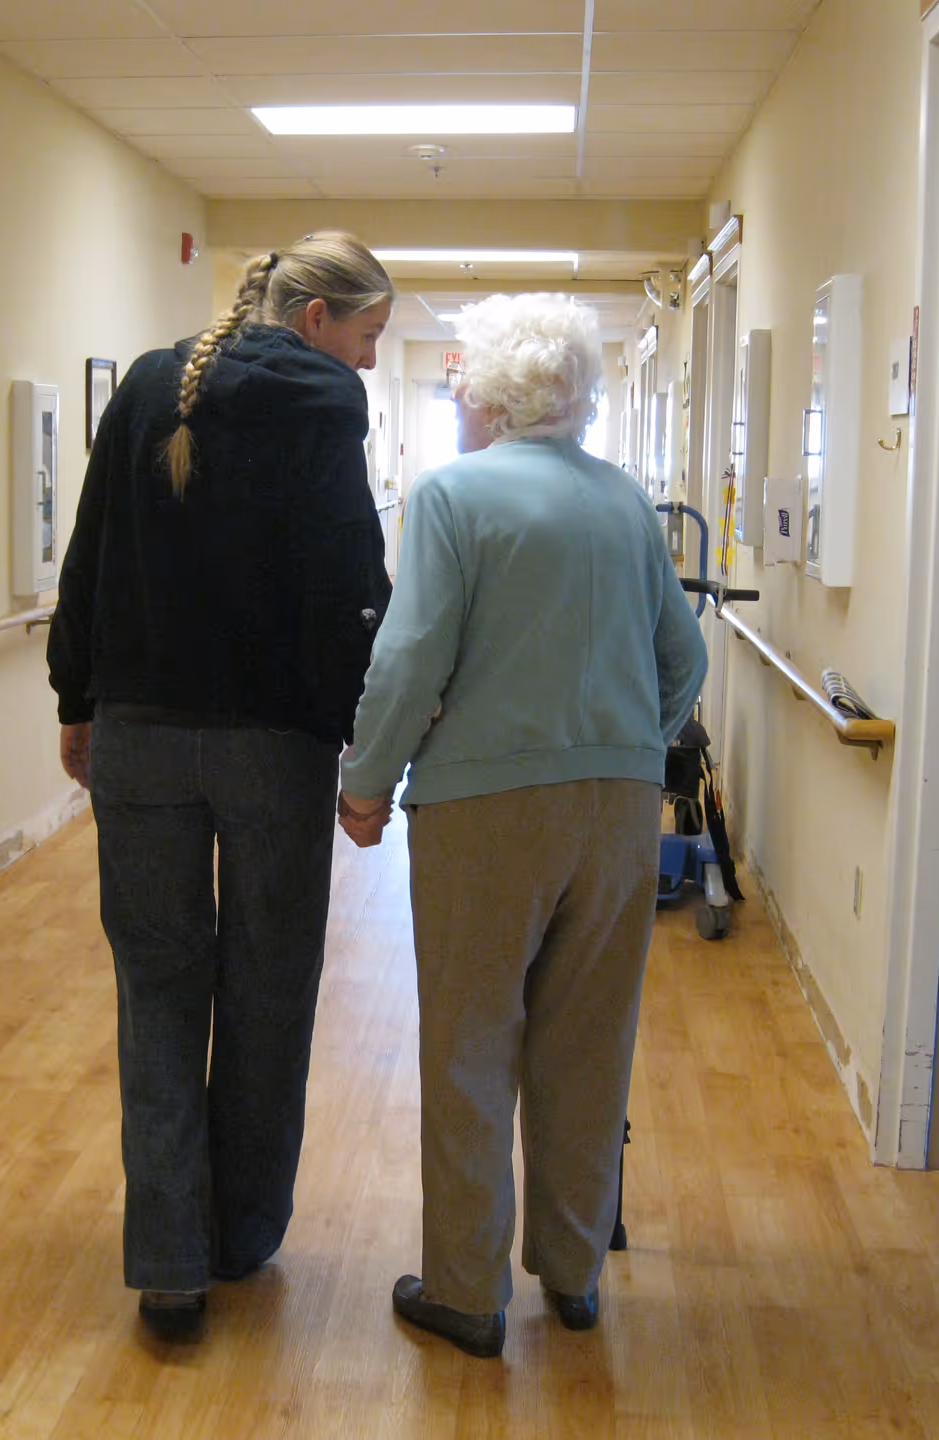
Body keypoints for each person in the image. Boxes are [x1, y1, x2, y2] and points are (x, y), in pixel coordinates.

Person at [338, 293, 708, 1358]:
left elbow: (409, 660)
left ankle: (466, 1290)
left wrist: (366, 783)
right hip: (618, 812)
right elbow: (684, 661)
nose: (455, 402)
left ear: (492, 395)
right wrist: (630, 743)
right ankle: (576, 1272)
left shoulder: (454, 497)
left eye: (461, 385)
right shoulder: (626, 504)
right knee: (587, 1046)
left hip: (484, 813)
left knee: (469, 1045)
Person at [47, 233, 394, 1340]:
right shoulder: (326, 407)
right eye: (369, 335)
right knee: (267, 987)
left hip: (142, 739)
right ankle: (241, 1234)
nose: (372, 362)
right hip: (272, 749)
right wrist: (356, 738)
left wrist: (76, 698)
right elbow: (352, 587)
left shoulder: (153, 381)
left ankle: (168, 1263)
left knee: (155, 991)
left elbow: (90, 552)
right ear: (315, 321)